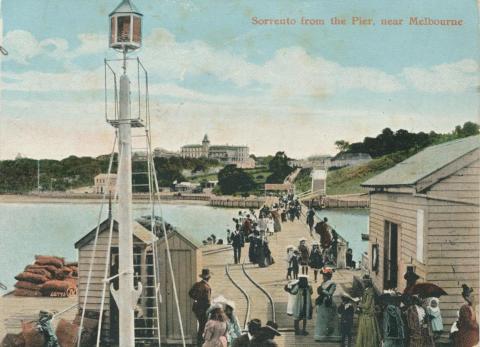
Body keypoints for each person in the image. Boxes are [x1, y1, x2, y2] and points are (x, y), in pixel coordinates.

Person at [314, 267, 340, 342]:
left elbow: (330, 293)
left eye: (325, 276)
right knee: (322, 319)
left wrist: (322, 290)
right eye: (323, 275)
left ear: (329, 276)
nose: (323, 277)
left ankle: (330, 335)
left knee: (329, 319)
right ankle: (322, 335)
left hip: (328, 302)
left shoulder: (332, 284)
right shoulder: (323, 283)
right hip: (322, 302)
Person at [189, 268, 212, 345]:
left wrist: (196, 298)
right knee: (203, 326)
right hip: (204, 310)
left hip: (196, 309)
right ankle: (200, 342)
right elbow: (208, 302)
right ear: (208, 278)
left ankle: (200, 341)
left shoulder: (197, 284)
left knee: (201, 325)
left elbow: (190, 293)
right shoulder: (207, 287)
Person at [355, 276, 381, 347]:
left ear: (367, 283)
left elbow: (367, 305)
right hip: (364, 315)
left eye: (364, 282)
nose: (363, 283)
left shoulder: (370, 291)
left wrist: (359, 304)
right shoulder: (366, 290)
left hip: (368, 316)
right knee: (364, 335)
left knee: (368, 336)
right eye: (363, 282)